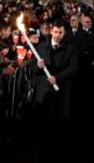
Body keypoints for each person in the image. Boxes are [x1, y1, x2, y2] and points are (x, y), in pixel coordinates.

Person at [31, 20, 78, 160]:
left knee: (59, 122)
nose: (57, 35)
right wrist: (37, 66)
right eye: (55, 32)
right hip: (44, 93)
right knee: (45, 122)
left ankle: (58, 153)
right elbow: (31, 67)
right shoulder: (41, 47)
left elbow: (74, 67)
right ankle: (44, 151)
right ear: (51, 31)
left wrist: (57, 78)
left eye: (60, 32)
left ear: (64, 33)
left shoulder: (71, 48)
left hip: (61, 91)